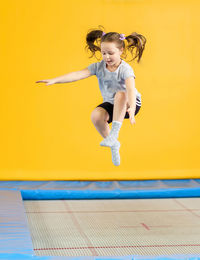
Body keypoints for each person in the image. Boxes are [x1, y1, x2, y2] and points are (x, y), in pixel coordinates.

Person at [36, 26, 147, 166]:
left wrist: (131, 109)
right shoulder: (98, 67)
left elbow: (130, 89)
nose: (107, 57)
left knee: (121, 94)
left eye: (110, 53)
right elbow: (77, 74)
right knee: (96, 115)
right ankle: (114, 144)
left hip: (130, 103)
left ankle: (114, 134)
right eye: (104, 53)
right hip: (112, 104)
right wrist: (55, 80)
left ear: (121, 51)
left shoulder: (125, 69)